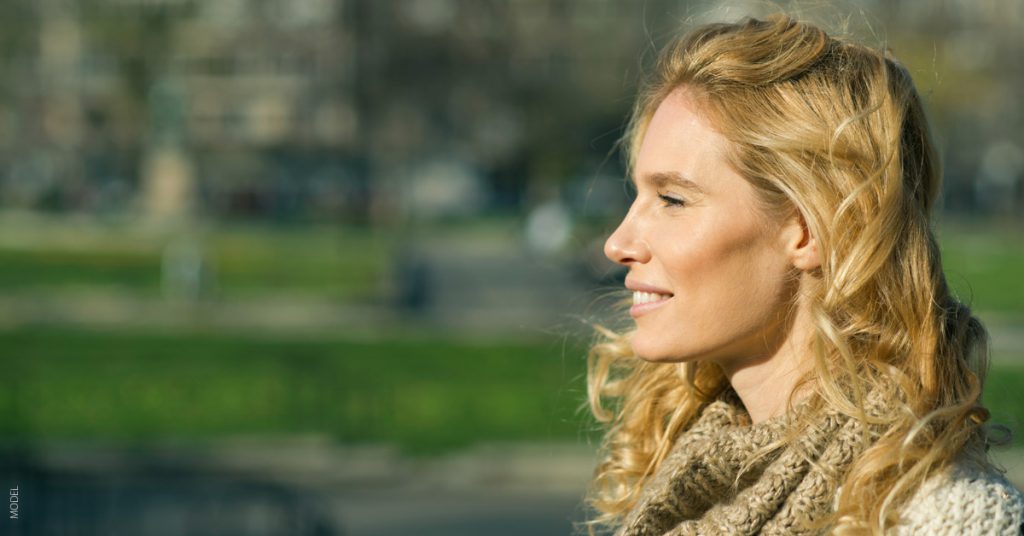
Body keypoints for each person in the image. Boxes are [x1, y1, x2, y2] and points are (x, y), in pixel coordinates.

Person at [584, 13, 1024, 535]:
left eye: (672, 199)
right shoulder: (681, 482)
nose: (619, 243)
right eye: (638, 195)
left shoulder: (946, 519)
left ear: (809, 229)